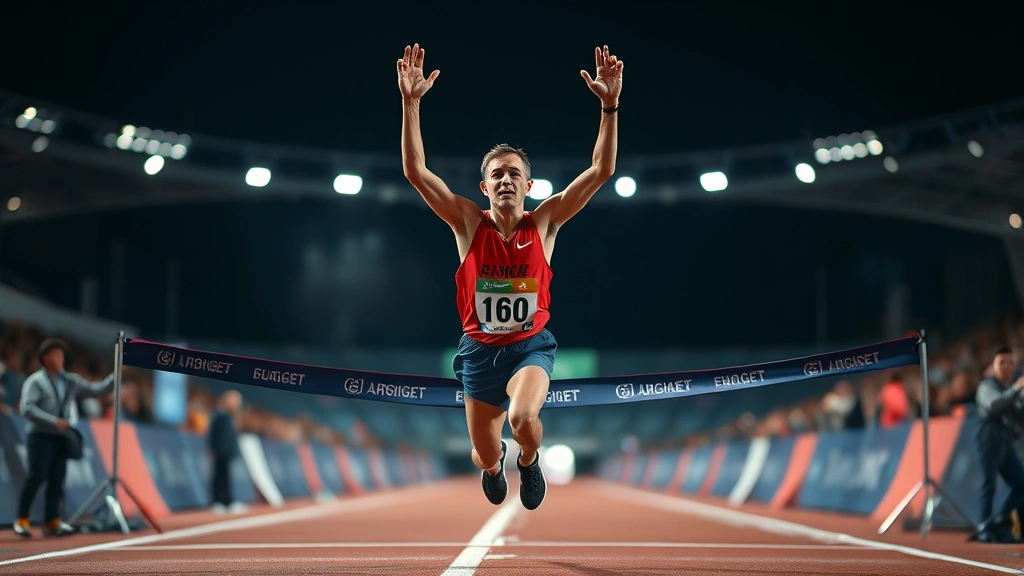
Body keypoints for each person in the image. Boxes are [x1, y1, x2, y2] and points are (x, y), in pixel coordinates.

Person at [397, 42, 623, 510]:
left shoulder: (545, 222)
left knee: (523, 418)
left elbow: (601, 170)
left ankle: (528, 457)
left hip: (529, 346)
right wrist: (411, 102)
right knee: (481, 454)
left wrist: (609, 106)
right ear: (484, 186)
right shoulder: (467, 223)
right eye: (496, 174)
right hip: (479, 353)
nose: (505, 180)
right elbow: (417, 172)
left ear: (528, 185)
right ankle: (496, 462)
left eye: (513, 174)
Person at [14, 338, 116, 537]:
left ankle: (52, 521)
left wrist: (115, 378)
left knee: (57, 479)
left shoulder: (69, 380)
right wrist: (53, 421)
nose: (59, 358)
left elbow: (98, 390)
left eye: (61, 354)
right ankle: (21, 519)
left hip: (61, 436)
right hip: (40, 435)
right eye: (54, 354)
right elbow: (26, 408)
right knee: (37, 476)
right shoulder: (35, 381)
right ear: (44, 358)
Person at [974, 345, 1024, 543]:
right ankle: (984, 527)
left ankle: (1002, 522)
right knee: (989, 485)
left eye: (1010, 362)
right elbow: (994, 406)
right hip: (989, 440)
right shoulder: (986, 386)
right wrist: (1016, 389)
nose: (1006, 366)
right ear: (992, 367)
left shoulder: (1010, 390)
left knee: (1021, 483)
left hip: (1006, 443)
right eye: (1001, 362)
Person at [207, 389, 244, 514]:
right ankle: (218, 501)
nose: (237, 406)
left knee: (226, 477)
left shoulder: (229, 417)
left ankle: (227, 501)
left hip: (227, 452)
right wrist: (212, 448)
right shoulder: (219, 415)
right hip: (219, 451)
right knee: (219, 476)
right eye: (235, 402)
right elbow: (213, 434)